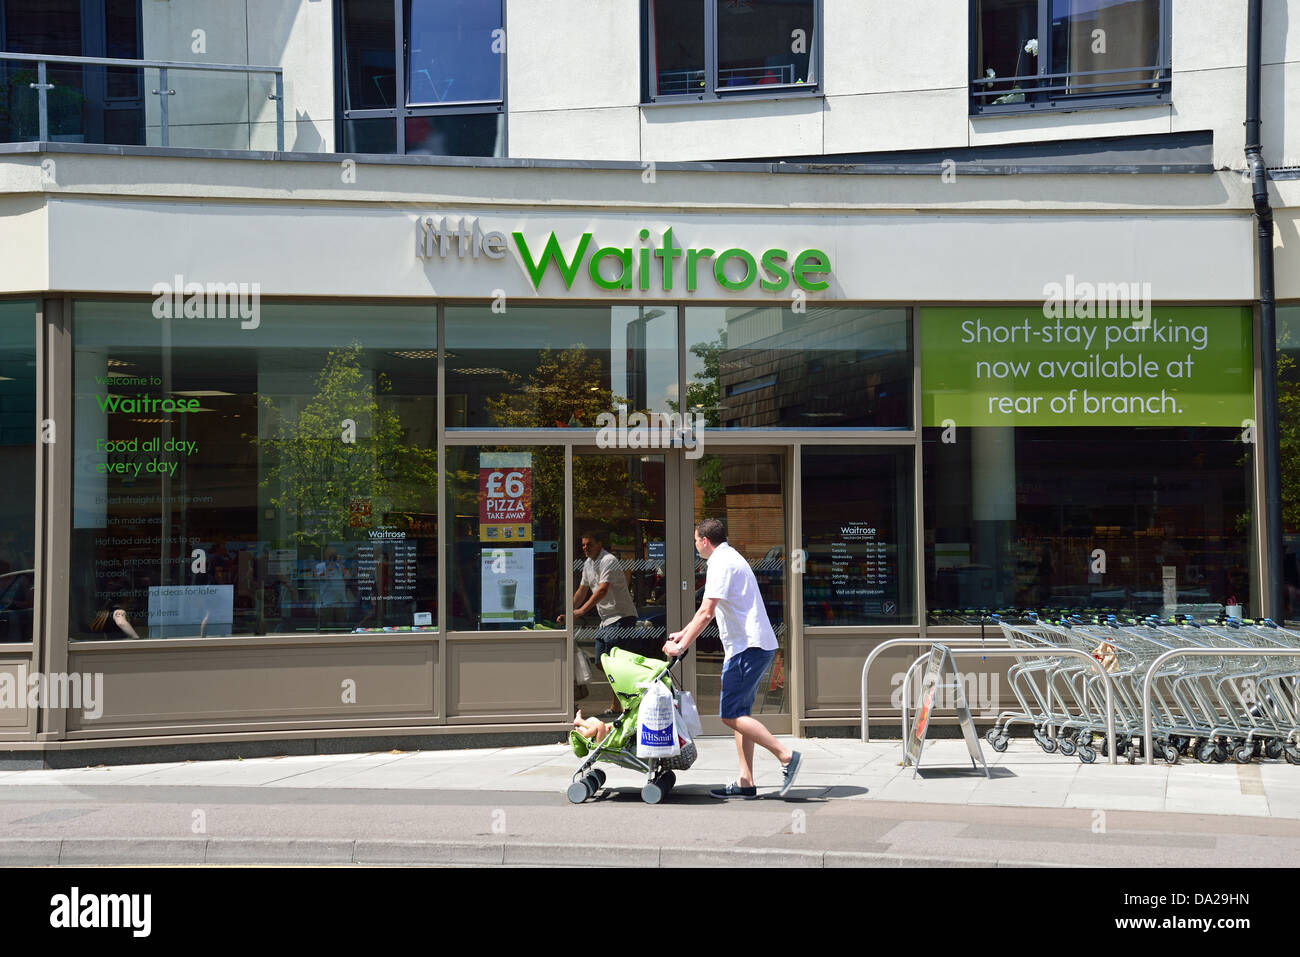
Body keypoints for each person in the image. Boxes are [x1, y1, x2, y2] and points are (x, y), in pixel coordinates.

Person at [663, 519, 802, 799]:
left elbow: (707, 612)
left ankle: (786, 755)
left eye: (695, 541)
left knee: (730, 716)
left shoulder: (720, 562)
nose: (694, 545)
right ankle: (746, 782)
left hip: (746, 649)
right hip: (754, 646)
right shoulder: (729, 557)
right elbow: (704, 612)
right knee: (740, 714)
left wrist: (682, 646)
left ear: (705, 540)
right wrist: (684, 633)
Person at [559, 531, 641, 715]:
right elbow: (582, 590)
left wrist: (580, 612)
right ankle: (626, 691)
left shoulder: (608, 560)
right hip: (606, 620)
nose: (585, 548)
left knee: (612, 662)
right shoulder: (588, 564)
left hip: (621, 617)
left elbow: (602, 590)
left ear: (599, 544)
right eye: (583, 545)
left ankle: (620, 704)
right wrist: (568, 612)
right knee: (600, 662)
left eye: (589, 544)